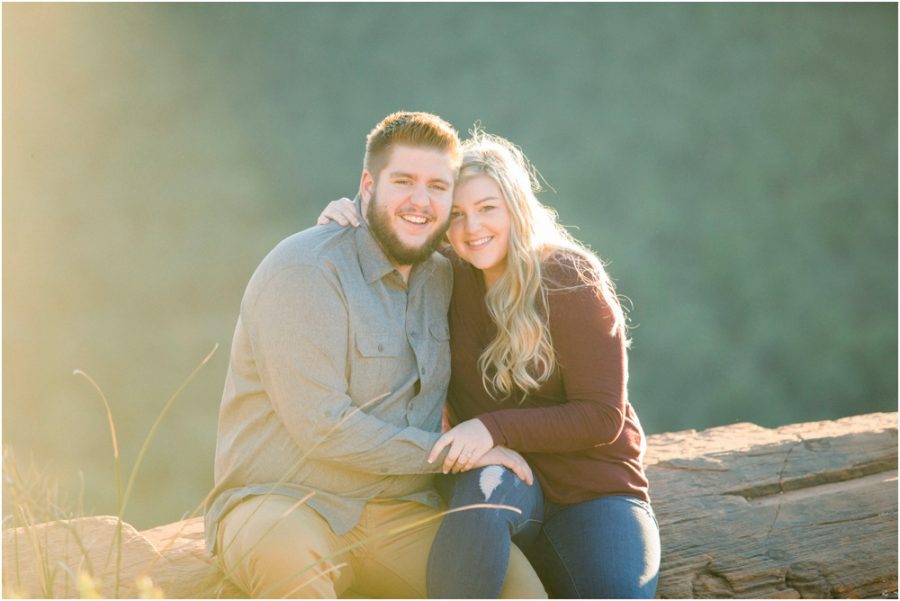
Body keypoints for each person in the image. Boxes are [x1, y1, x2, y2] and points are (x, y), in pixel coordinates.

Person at [204, 112, 547, 599]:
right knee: (295, 583)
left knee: (518, 591)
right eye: (403, 181)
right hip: (282, 501)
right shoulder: (304, 271)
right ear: (368, 185)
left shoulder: (444, 274)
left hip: (398, 510)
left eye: (436, 186)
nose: (420, 200)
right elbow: (322, 428)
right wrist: (456, 454)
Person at [317, 128, 661, 598]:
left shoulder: (570, 279)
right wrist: (345, 221)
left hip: (593, 490)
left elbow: (603, 417)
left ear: (516, 208)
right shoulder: (444, 272)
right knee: (484, 491)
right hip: (502, 477)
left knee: (617, 593)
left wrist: (491, 428)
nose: (471, 228)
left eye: (486, 209)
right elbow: (394, 234)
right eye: (456, 215)